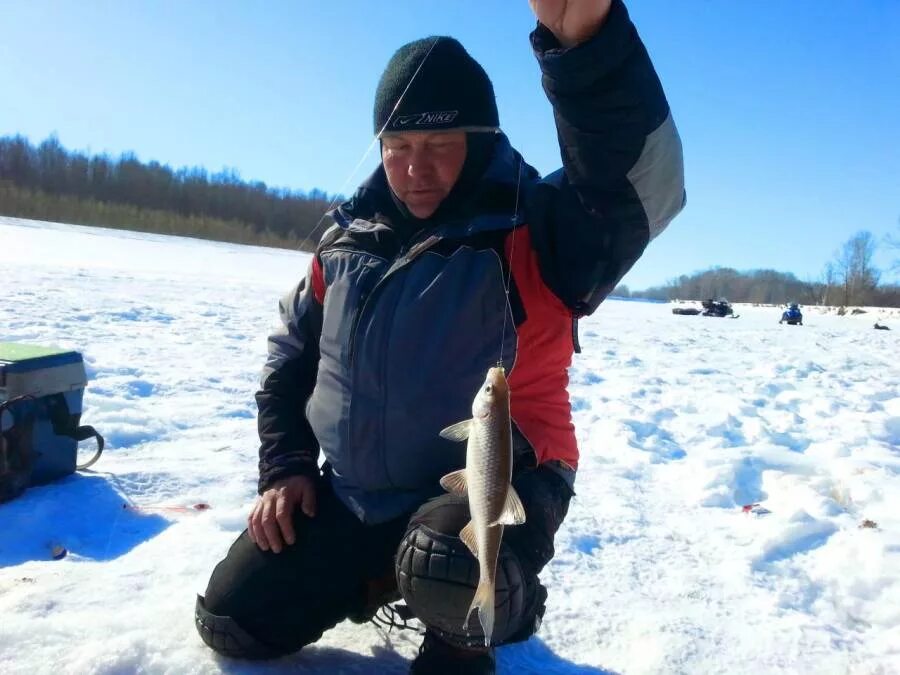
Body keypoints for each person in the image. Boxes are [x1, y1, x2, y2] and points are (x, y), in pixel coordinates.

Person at [195, 0, 684, 673]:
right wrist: (285, 466)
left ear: (480, 143)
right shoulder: (344, 243)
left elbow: (636, 189)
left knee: (448, 563)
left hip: (496, 487)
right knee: (233, 618)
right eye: (398, 148)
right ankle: (383, 574)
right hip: (357, 495)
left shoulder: (540, 228)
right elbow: (290, 360)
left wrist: (589, 54)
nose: (414, 169)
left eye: (439, 147)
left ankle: (486, 606)